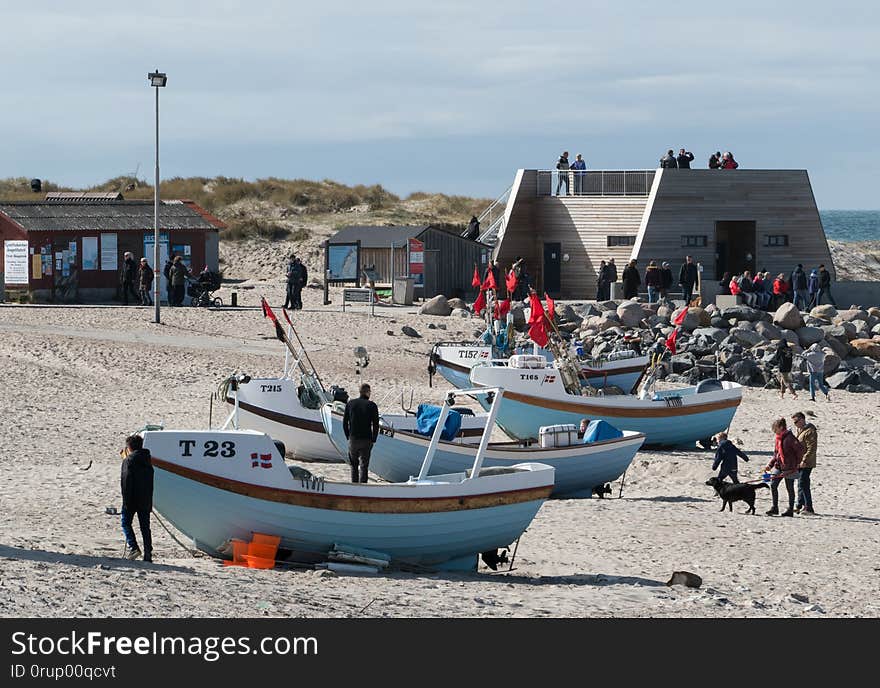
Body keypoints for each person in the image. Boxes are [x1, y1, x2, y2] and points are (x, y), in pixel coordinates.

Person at [120, 434, 154, 561]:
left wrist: (126, 501)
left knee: (125, 523)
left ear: (129, 447)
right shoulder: (148, 460)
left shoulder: (128, 461)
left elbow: (126, 481)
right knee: (145, 527)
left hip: (132, 499)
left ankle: (134, 547)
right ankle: (148, 554)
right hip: (145, 499)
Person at [763, 417, 804, 517]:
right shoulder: (778, 438)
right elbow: (776, 454)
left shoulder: (790, 438)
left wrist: (797, 464)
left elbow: (800, 451)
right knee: (773, 485)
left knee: (789, 488)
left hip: (790, 467)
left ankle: (790, 510)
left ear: (781, 427)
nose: (774, 431)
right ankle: (774, 508)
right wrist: (770, 465)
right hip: (778, 466)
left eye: (775, 429)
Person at [342, 383, 380, 483]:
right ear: (367, 392)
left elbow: (345, 422)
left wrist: (348, 436)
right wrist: (374, 438)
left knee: (354, 465)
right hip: (366, 439)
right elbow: (376, 424)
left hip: (353, 439)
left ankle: (354, 485)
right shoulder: (372, 405)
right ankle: (363, 486)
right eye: (370, 392)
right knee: (364, 465)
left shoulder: (350, 404)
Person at [791, 412, 817, 515]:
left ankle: (809, 507)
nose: (795, 424)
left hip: (807, 462)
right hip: (799, 461)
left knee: (803, 483)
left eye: (796, 422)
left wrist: (804, 460)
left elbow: (812, 448)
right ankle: (799, 505)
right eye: (794, 422)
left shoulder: (810, 431)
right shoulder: (800, 430)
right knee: (800, 483)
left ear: (802, 420)